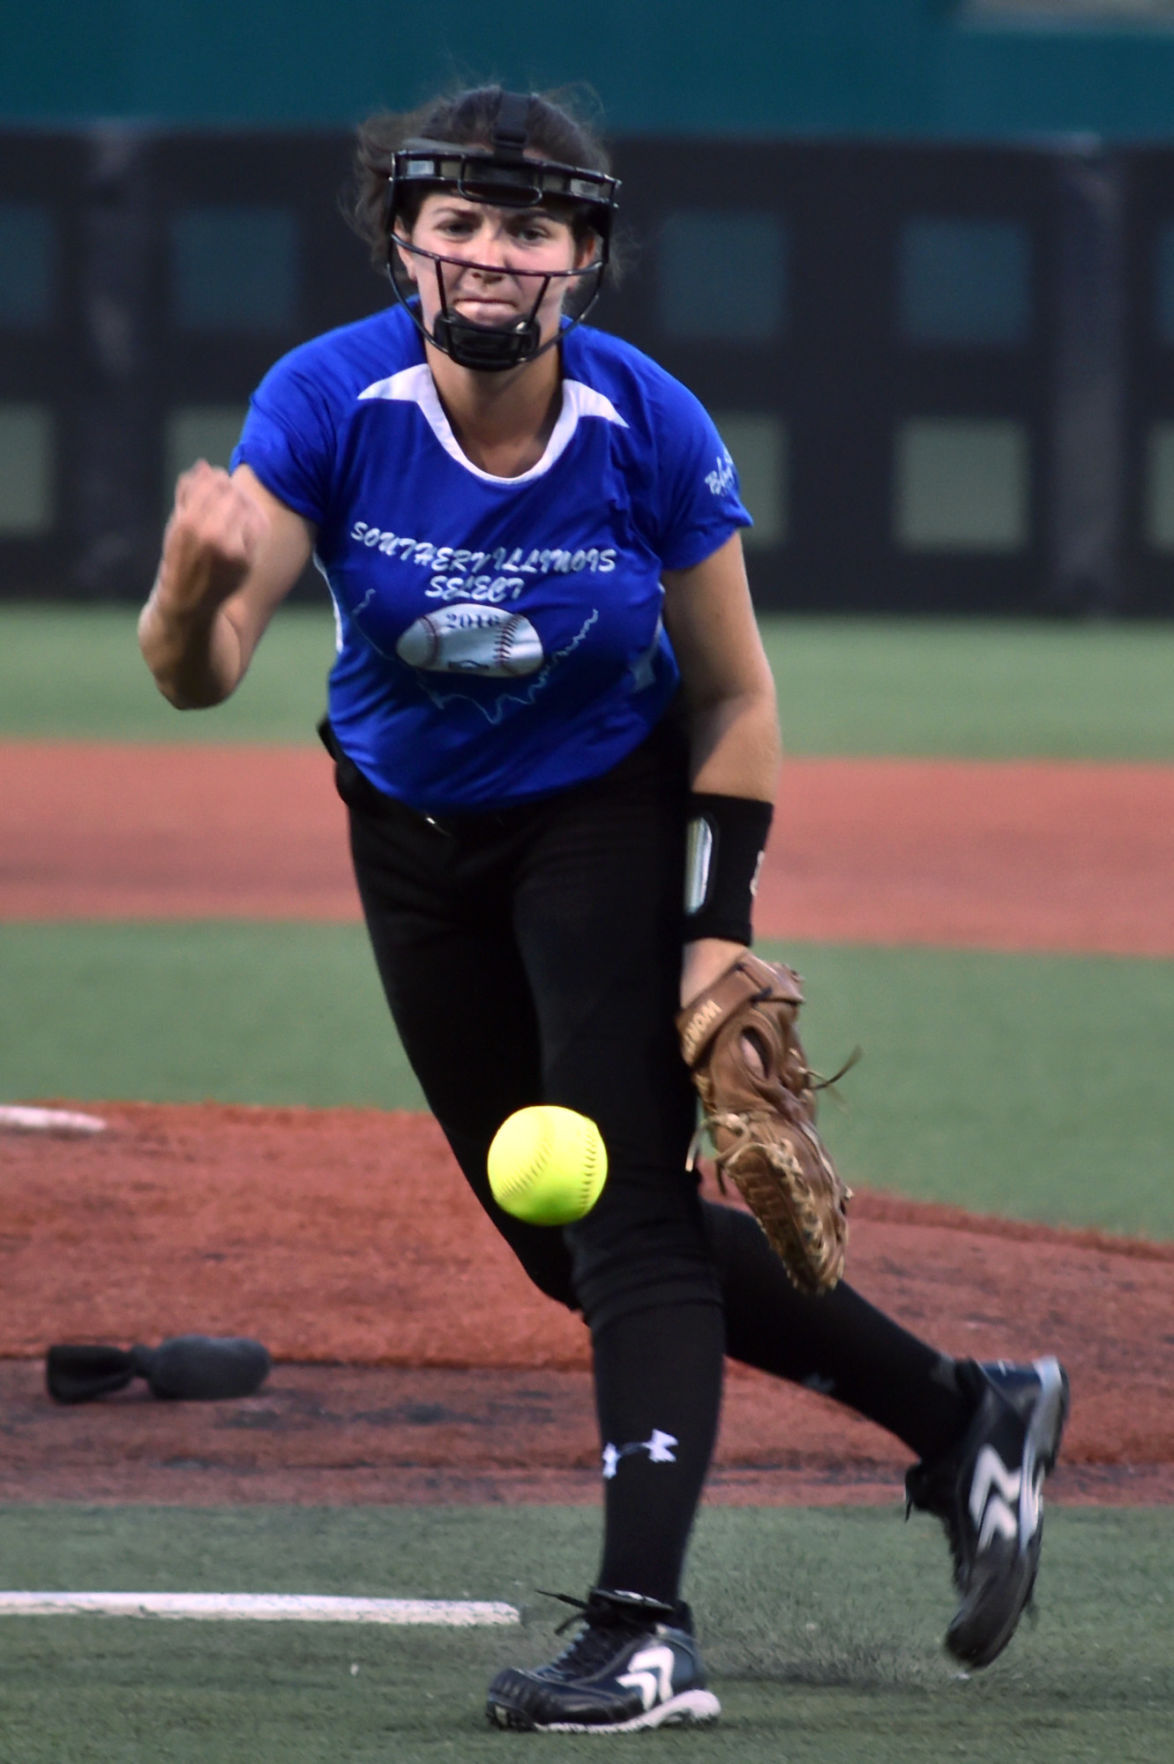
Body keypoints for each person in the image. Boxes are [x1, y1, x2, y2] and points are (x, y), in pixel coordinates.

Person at [138, 85, 1069, 1734]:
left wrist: (716, 922)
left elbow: (735, 698)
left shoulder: (647, 426)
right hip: (408, 839)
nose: (494, 254)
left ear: (584, 254)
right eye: (461, 222)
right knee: (559, 1245)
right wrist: (192, 585)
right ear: (403, 240)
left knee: (630, 1214)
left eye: (532, 225)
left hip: (603, 821)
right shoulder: (329, 399)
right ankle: (964, 1413)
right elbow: (200, 677)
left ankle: (644, 1629)